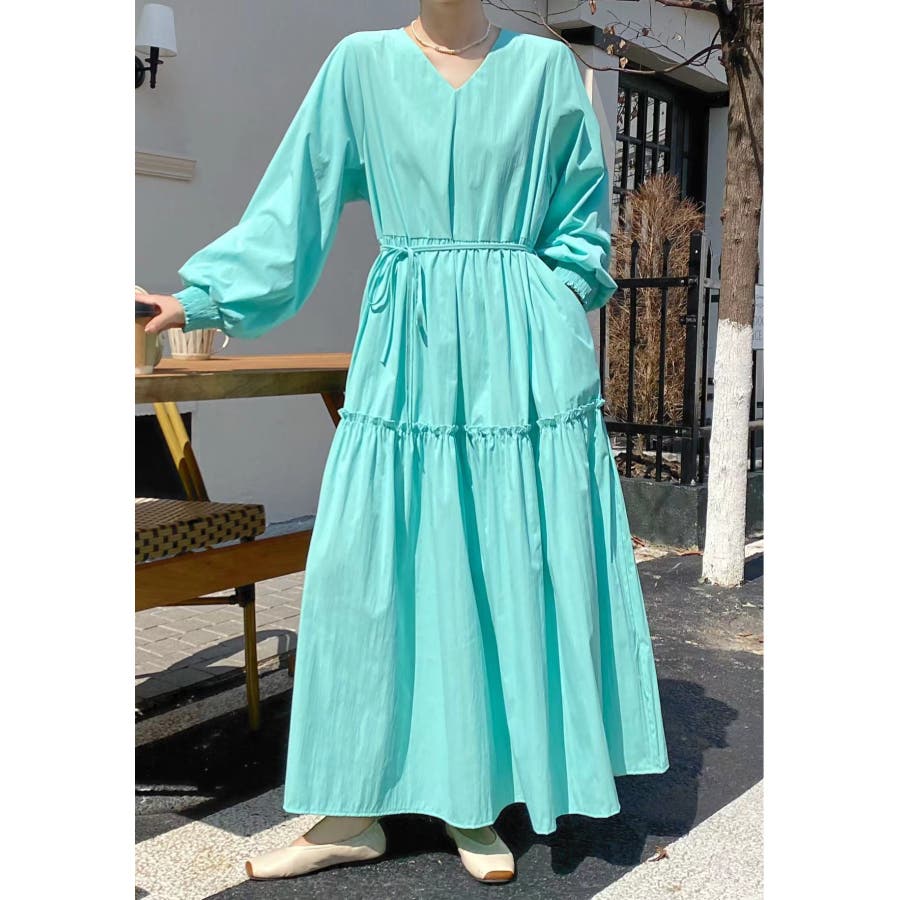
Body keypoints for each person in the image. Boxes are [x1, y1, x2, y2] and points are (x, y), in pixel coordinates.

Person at [139, 0, 669, 885]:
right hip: (408, 353)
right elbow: (293, 207)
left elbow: (582, 225)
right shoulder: (360, 64)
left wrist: (546, 306)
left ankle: (473, 799)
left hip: (517, 363)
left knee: (494, 564)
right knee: (367, 566)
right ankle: (350, 809)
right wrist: (198, 298)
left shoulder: (544, 70)